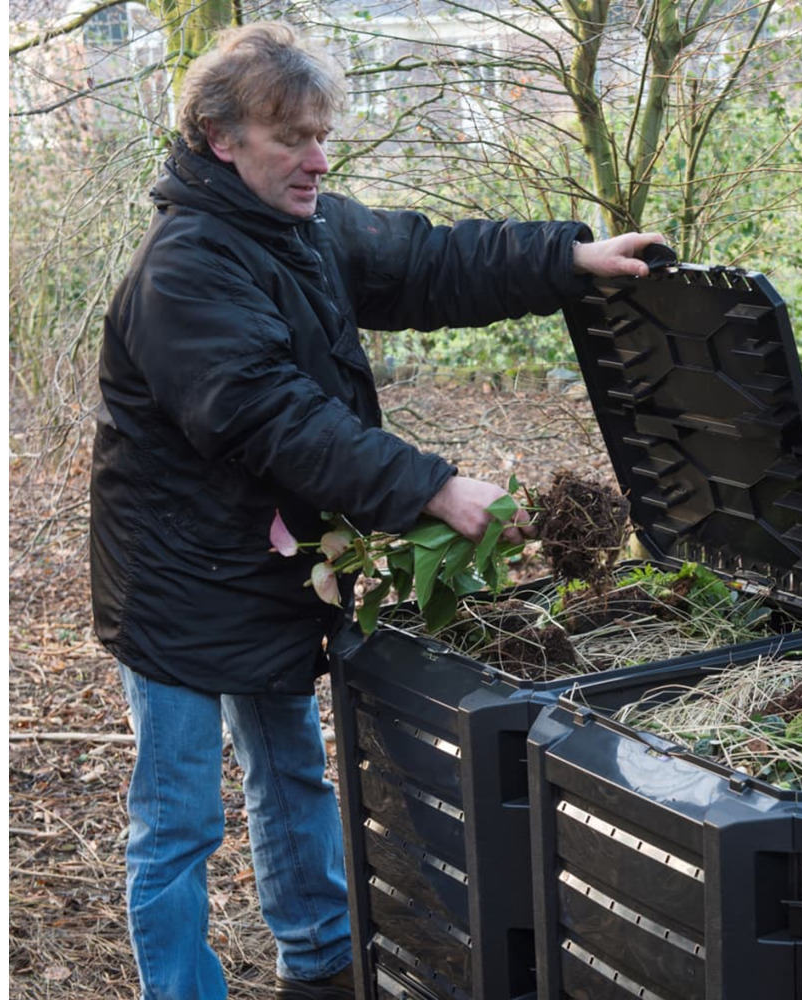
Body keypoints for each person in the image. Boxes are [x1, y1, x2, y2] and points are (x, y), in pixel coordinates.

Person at [88, 20, 666, 1000]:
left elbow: (427, 260)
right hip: (179, 581)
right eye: (292, 139)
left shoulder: (302, 226)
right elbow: (274, 417)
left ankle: (318, 964)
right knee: (179, 819)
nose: (317, 158)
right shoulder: (186, 268)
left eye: (323, 135)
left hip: (271, 566)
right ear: (222, 139)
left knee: (295, 773)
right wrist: (432, 487)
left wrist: (569, 260)